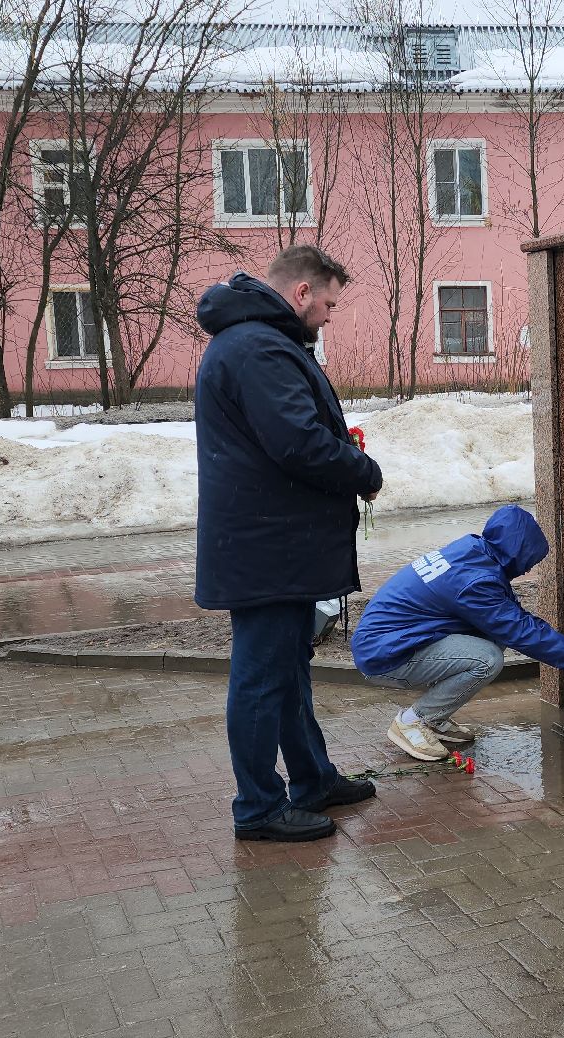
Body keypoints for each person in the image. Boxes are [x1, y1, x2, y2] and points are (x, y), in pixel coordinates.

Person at [195, 246, 383, 843]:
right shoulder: (258, 348)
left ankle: (312, 779)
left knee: (286, 671)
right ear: (301, 293)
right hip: (266, 548)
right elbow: (298, 442)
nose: (329, 316)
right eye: (327, 304)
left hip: (273, 543)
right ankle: (258, 807)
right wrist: (362, 470)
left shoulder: (260, 342)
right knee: (260, 678)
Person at [352, 505, 564, 760]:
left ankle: (434, 718)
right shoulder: (476, 582)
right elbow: (523, 632)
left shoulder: (473, 550)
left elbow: (512, 618)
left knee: (493, 638)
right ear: (516, 553)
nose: (527, 570)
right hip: (385, 655)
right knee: (487, 659)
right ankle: (413, 721)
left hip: (395, 639)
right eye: (528, 560)